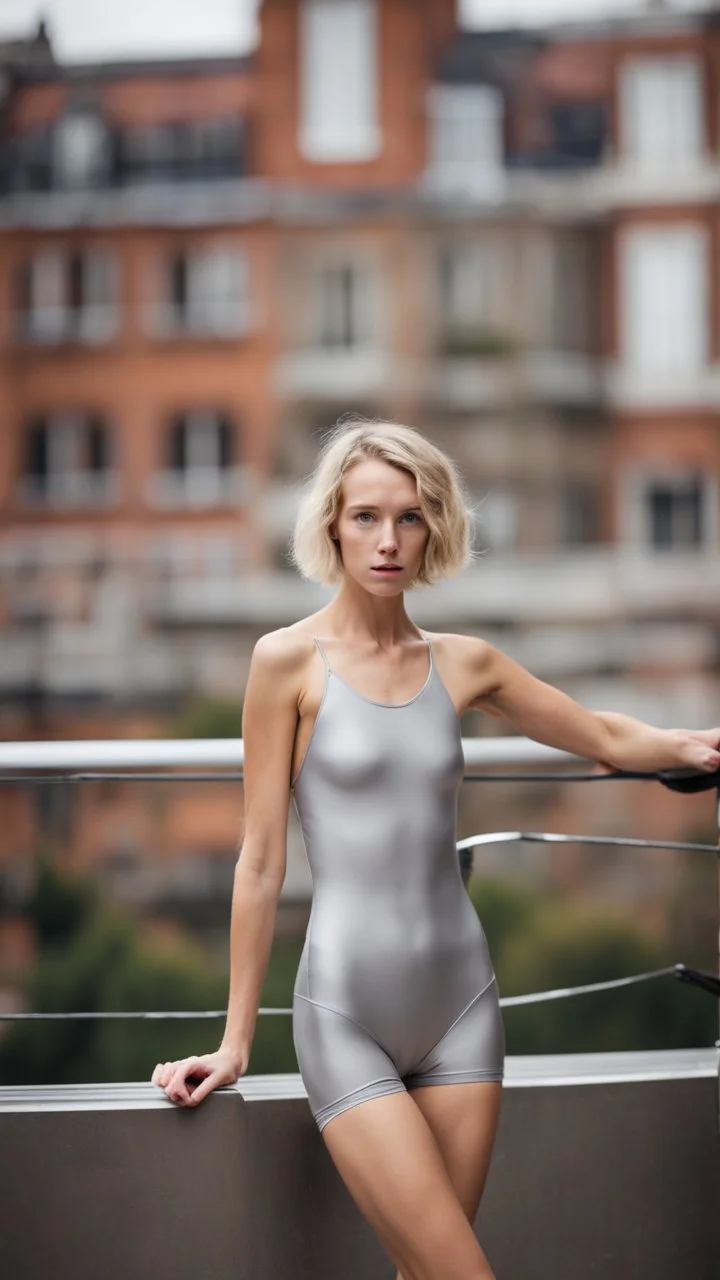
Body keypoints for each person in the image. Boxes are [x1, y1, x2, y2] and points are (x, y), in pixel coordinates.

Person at [151, 418, 720, 1280]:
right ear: (333, 525)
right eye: (367, 517)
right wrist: (235, 1044)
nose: (388, 541)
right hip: (346, 1014)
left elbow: (602, 733)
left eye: (409, 519)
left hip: (464, 1009)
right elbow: (261, 861)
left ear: (435, 527)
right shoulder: (284, 664)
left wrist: (690, 747)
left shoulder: (466, 665)